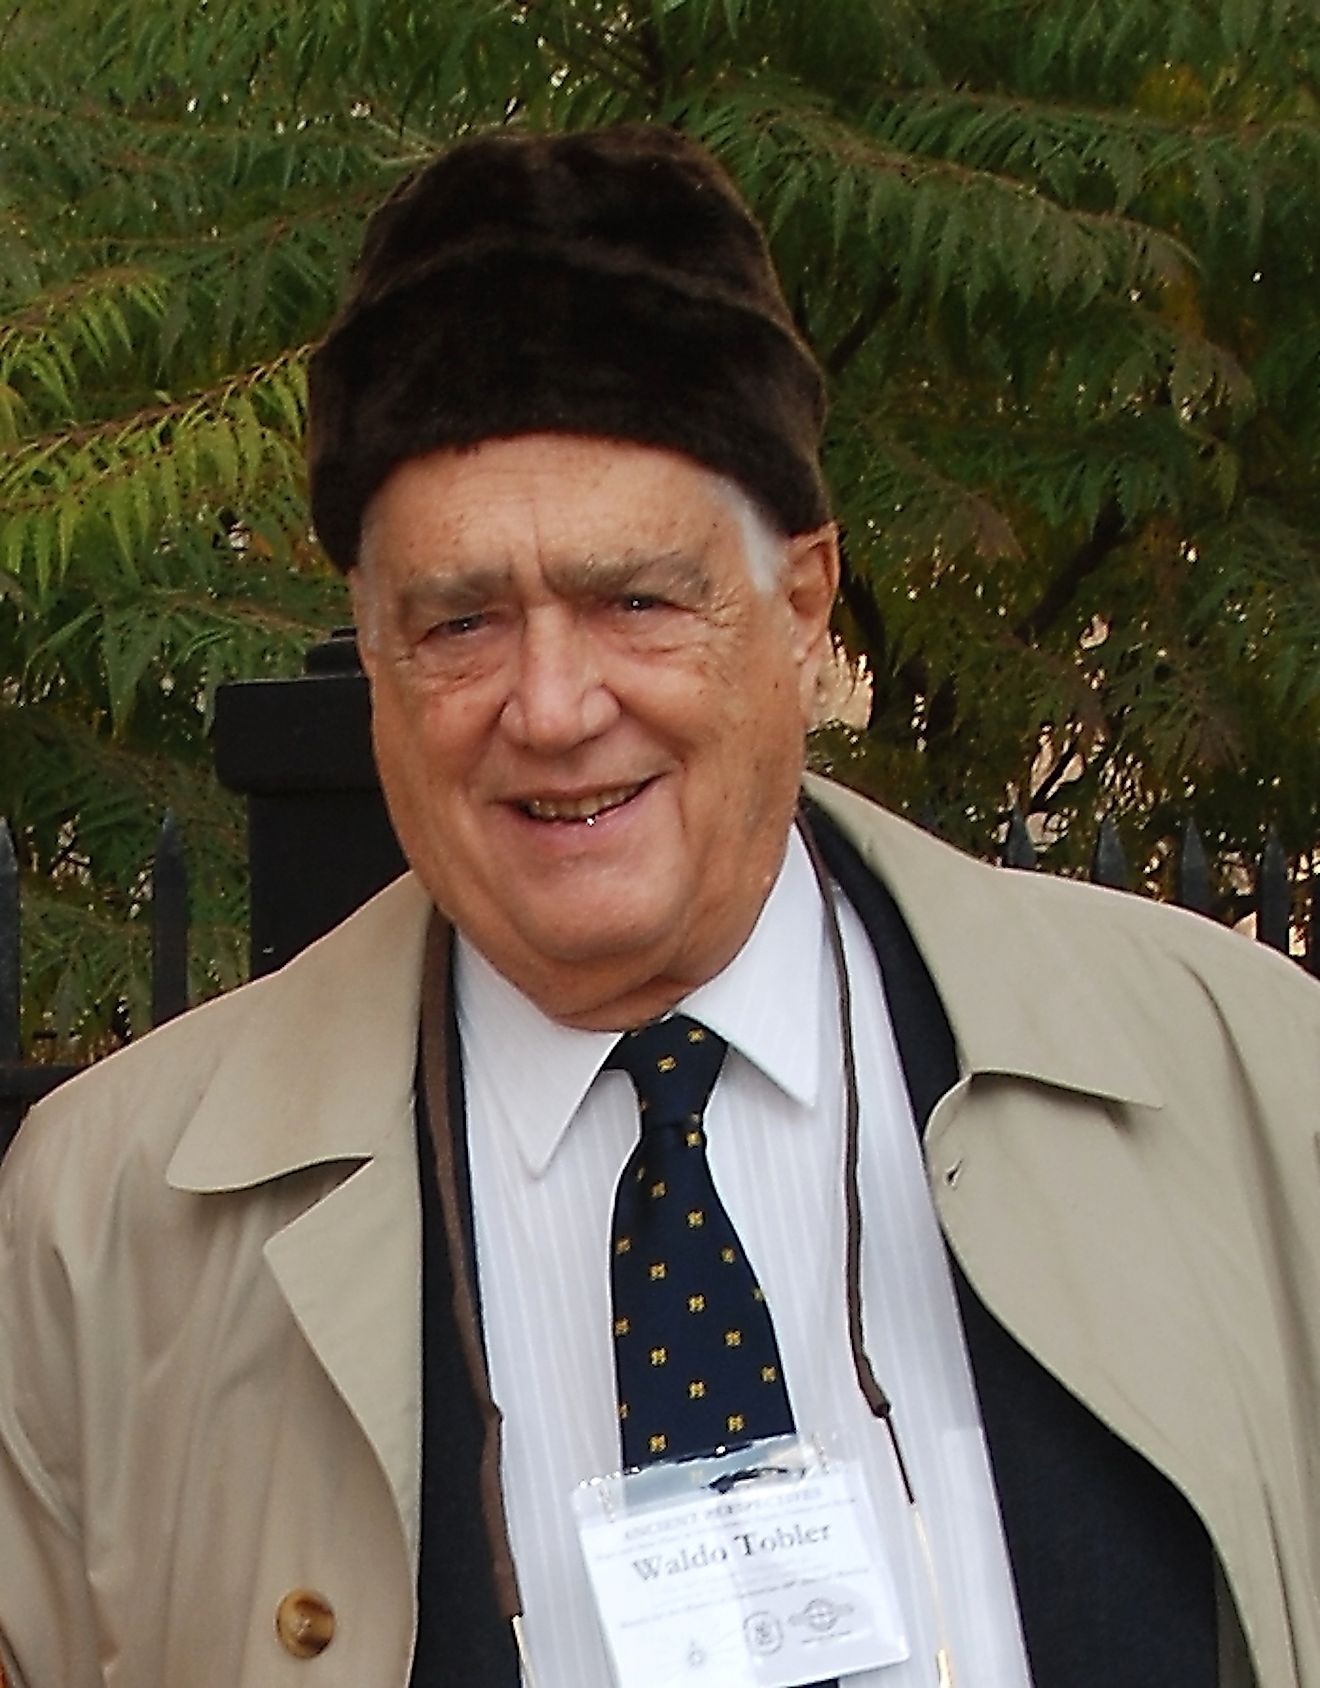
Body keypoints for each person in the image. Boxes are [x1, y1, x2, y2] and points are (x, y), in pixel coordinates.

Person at [0, 123, 1316, 1688]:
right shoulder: (105, 1229)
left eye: (636, 599)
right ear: (369, 656)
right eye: (462, 623)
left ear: (804, 604)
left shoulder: (1257, 1093)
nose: (552, 709)